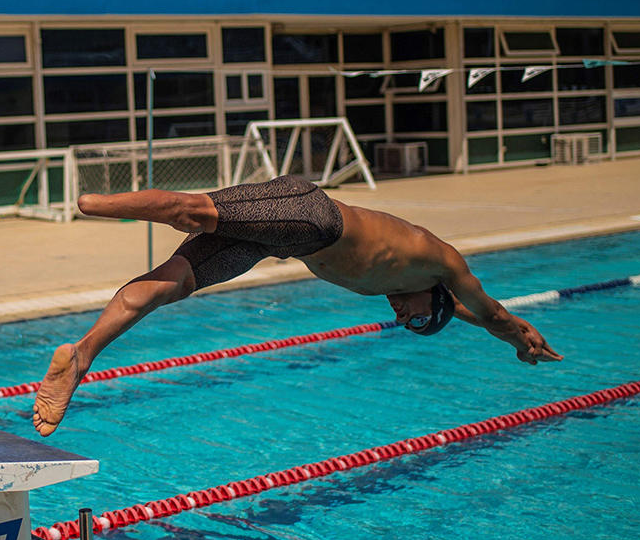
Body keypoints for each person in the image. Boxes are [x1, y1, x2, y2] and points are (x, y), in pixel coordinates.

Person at [32, 175, 562, 436]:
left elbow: (461, 316)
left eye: (411, 325)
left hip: (282, 242)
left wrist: (475, 324)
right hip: (312, 215)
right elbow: (487, 311)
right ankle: (94, 204)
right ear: (438, 296)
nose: (404, 319)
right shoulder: (444, 264)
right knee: (192, 210)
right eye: (417, 318)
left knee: (168, 285)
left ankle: (78, 359)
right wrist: (521, 337)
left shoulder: (402, 287)